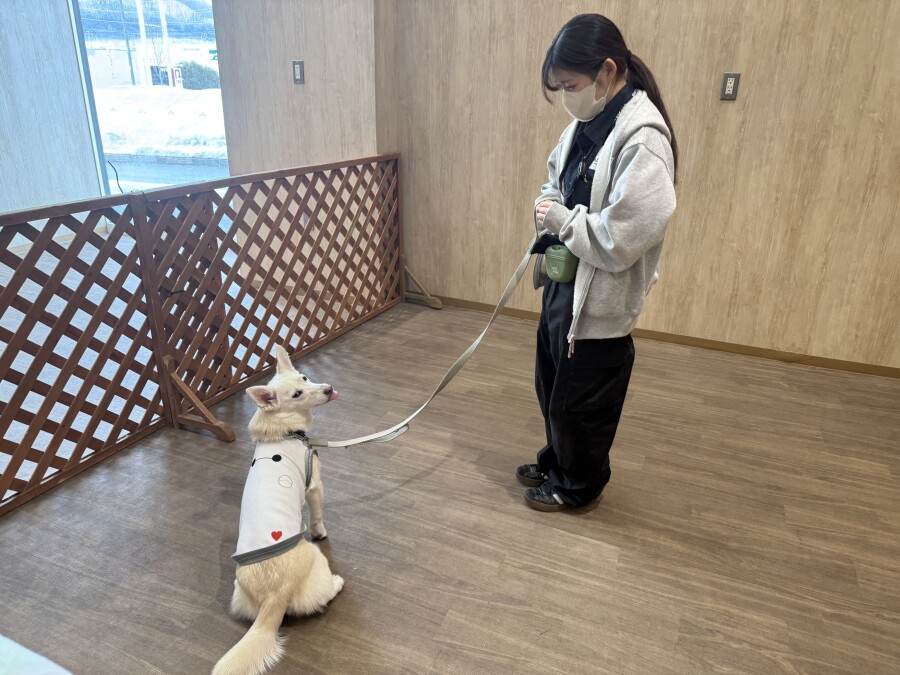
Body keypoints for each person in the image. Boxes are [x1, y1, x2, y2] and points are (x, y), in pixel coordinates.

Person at [518, 14, 678, 511]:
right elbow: (554, 180)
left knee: (583, 406)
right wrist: (549, 203)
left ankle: (578, 485)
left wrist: (559, 218)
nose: (567, 97)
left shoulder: (643, 140)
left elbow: (618, 240)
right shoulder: (585, 125)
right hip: (564, 287)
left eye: (571, 86)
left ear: (607, 72)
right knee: (553, 389)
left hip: (601, 303)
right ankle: (556, 461)